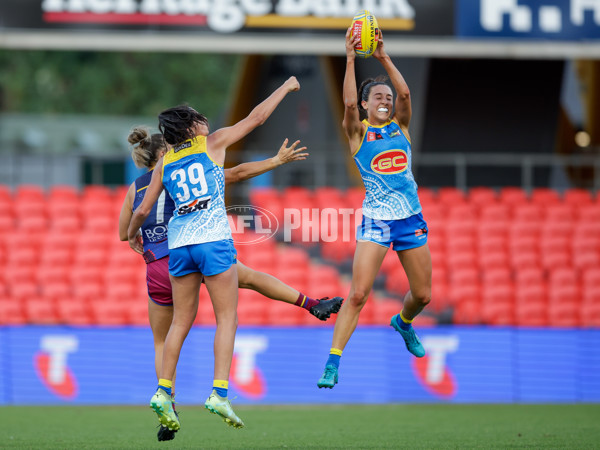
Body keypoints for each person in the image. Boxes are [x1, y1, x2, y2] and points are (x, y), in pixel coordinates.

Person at [118, 128, 343, 441]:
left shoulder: (134, 187)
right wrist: (276, 161)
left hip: (155, 265)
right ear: (162, 153)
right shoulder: (177, 169)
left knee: (163, 338)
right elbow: (234, 174)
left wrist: (134, 235)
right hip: (185, 248)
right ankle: (310, 304)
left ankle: (165, 401)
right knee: (246, 278)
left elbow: (123, 231)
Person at [128, 76, 299, 432]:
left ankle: (163, 391)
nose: (207, 121)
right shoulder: (212, 142)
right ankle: (219, 392)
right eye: (201, 117)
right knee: (227, 318)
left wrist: (132, 236)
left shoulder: (165, 162)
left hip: (179, 247)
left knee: (180, 323)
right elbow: (255, 120)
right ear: (192, 126)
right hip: (212, 240)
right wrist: (284, 88)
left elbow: (142, 210)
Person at [317, 29, 432, 389]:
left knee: (424, 295)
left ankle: (404, 322)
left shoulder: (401, 127)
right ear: (365, 105)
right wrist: (351, 57)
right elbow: (348, 105)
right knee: (358, 294)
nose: (385, 99)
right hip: (377, 222)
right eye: (377, 97)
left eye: (387, 96)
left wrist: (382, 56)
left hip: (410, 219)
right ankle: (333, 362)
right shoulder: (358, 133)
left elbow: (406, 93)